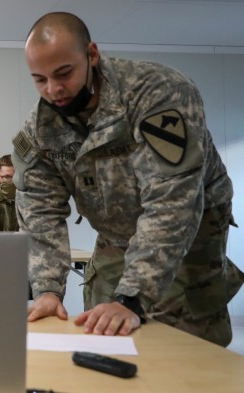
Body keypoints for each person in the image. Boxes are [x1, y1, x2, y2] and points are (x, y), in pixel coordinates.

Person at [13, 12, 244, 346]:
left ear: (92, 54)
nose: (54, 89)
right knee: (105, 332)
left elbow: (173, 202)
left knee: (181, 339)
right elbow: (40, 214)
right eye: (40, 79)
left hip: (189, 230)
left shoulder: (156, 93)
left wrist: (132, 298)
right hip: (115, 235)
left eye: (64, 73)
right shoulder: (40, 130)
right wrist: (48, 289)